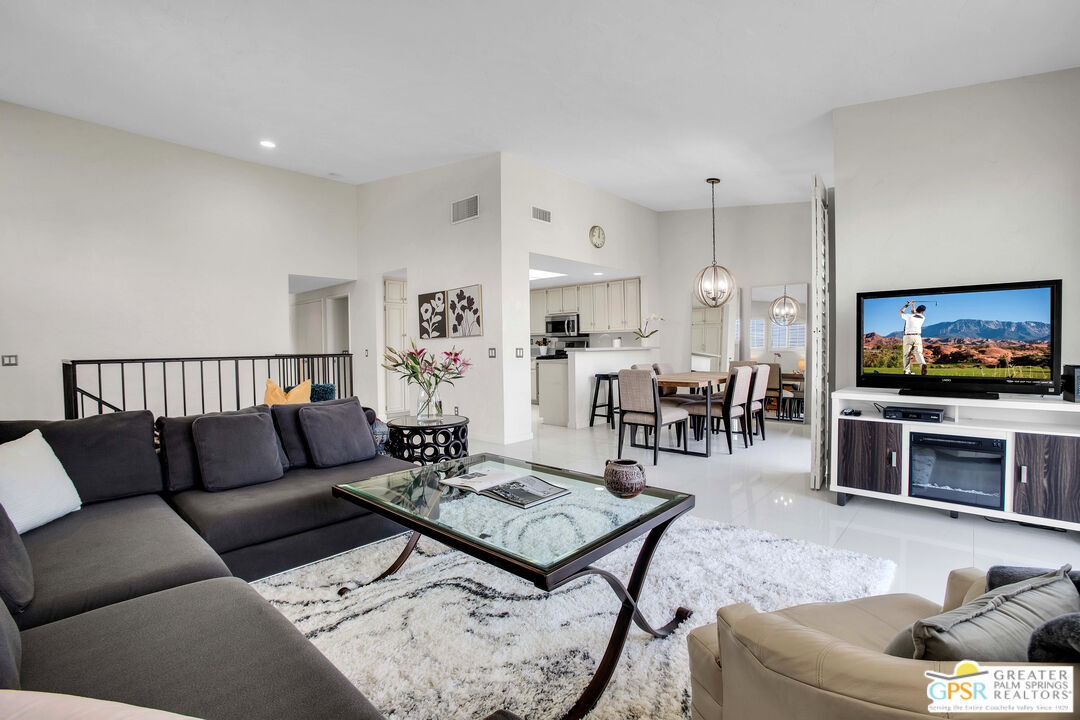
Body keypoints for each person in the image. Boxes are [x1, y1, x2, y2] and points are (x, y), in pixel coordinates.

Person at [899, 301, 928, 375]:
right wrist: (913, 304)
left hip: (908, 336)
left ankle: (907, 371)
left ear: (917, 309)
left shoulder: (909, 316)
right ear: (923, 311)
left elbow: (901, 312)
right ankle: (923, 365)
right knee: (918, 353)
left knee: (906, 354)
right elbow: (914, 312)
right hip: (917, 337)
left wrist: (908, 304)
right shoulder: (922, 317)